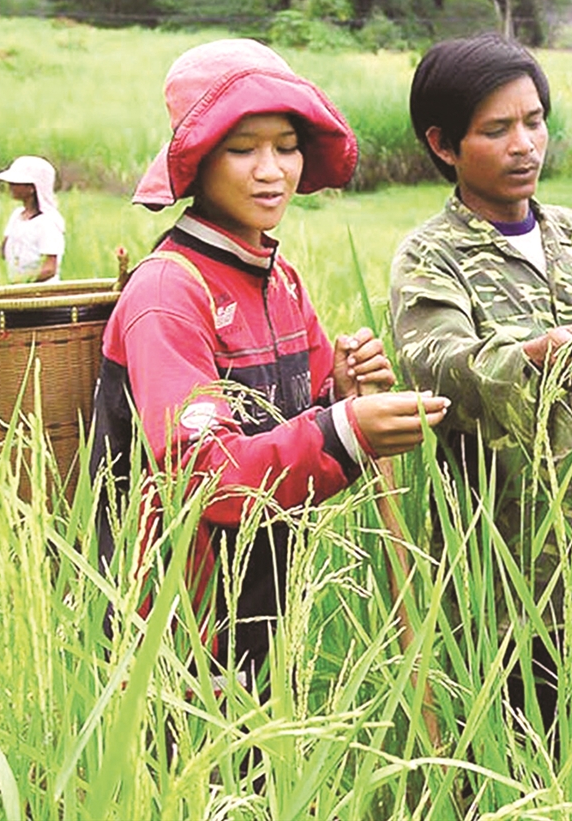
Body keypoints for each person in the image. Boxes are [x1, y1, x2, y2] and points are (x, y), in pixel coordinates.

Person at [89, 38, 450, 690]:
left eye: (285, 146)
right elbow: (205, 476)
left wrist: (339, 391)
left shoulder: (279, 279)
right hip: (170, 631)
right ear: (198, 160)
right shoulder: (168, 294)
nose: (271, 170)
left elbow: (300, 417)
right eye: (242, 147)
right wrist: (348, 430)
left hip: (260, 610)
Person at [390, 33, 572, 714]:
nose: (524, 144)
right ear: (444, 145)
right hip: (506, 578)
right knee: (525, 759)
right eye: (497, 129)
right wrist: (534, 361)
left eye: (534, 121)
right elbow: (437, 370)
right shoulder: (432, 256)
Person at [0, 155, 64, 283]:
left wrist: (16, 282)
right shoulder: (17, 216)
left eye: (15, 183)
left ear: (31, 188)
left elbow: (49, 268)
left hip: (42, 294)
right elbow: (5, 252)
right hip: (20, 291)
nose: (9, 186)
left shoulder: (47, 223)